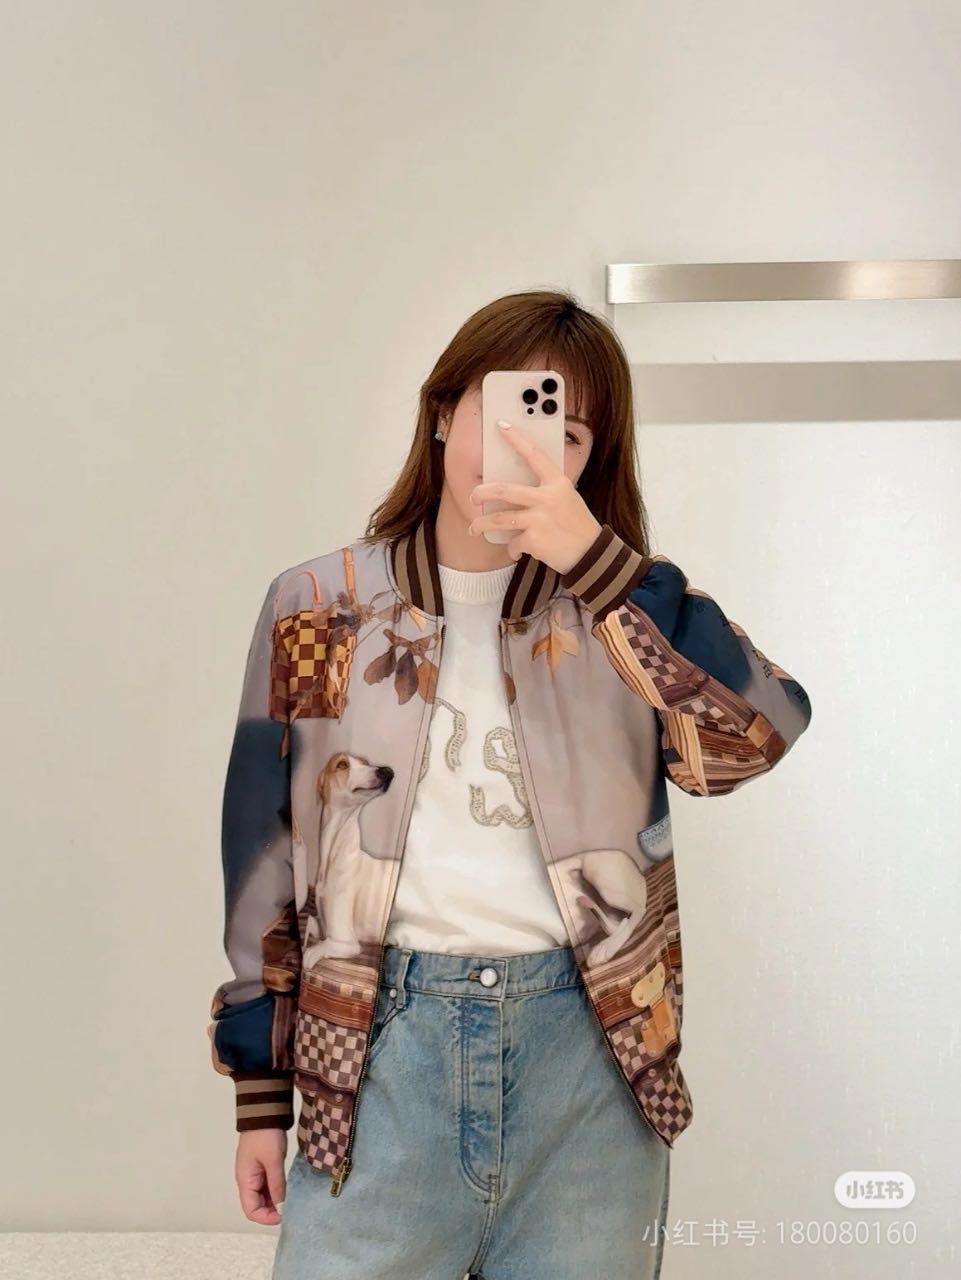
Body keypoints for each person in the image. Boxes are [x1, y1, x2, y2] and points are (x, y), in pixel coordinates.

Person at [207, 288, 812, 1280]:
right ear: (443, 414)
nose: (527, 447)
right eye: (506, 412)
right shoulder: (319, 605)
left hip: (590, 1071)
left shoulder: (625, 614)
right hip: (375, 1056)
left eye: (563, 432)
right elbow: (264, 847)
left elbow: (758, 736)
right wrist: (260, 1095)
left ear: (589, 461)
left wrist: (601, 568)